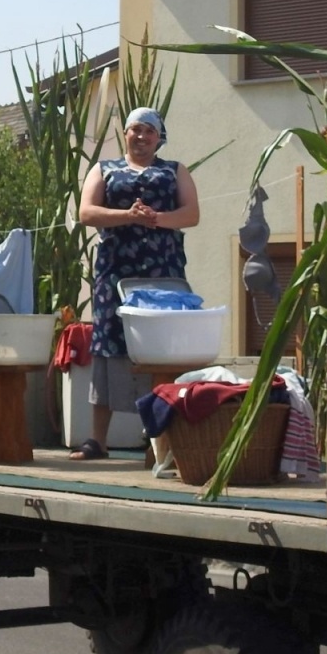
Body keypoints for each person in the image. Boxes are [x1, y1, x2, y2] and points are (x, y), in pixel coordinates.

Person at [70, 107, 200, 461]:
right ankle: (97, 440)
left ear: (159, 137)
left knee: (162, 347)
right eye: (135, 130)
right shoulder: (104, 169)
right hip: (116, 272)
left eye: (148, 131)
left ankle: (160, 440)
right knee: (109, 343)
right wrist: (129, 216)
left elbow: (191, 214)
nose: (141, 137)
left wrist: (155, 219)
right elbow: (86, 212)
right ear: (125, 134)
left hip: (163, 270)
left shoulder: (174, 170)